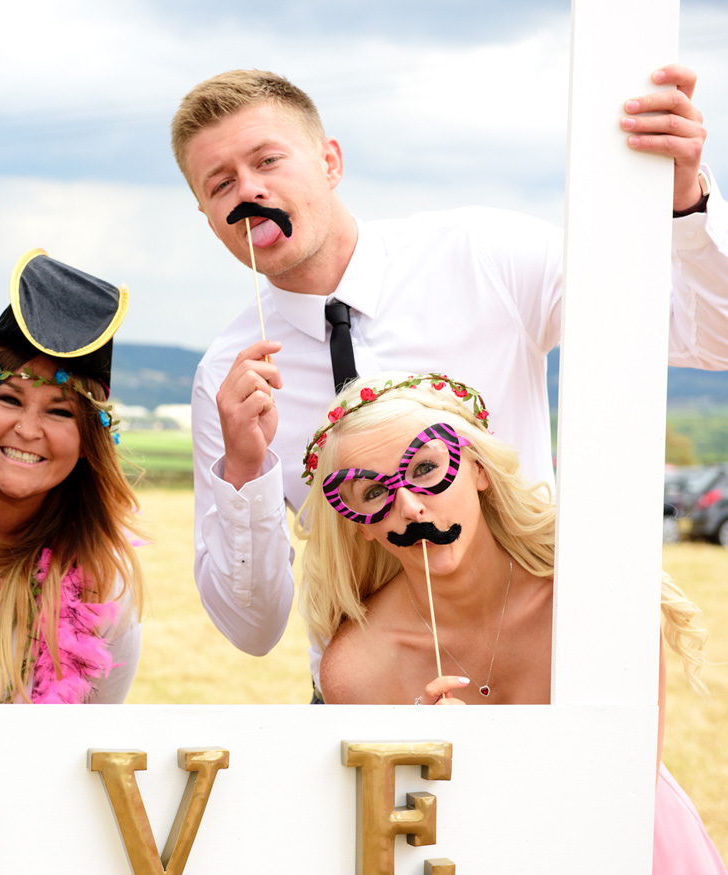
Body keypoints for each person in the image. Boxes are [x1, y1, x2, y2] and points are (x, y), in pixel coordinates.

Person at [171, 68, 728, 675]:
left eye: (268, 160)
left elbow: (711, 341)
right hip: (367, 697)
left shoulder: (487, 255)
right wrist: (245, 471)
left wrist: (686, 206)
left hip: (542, 669)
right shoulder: (225, 379)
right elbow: (253, 631)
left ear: (330, 162)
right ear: (207, 216)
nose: (249, 191)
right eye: (221, 184)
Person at [297, 372, 725, 872]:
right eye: (373, 492)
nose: (410, 506)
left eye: (427, 468)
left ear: (478, 469)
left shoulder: (596, 599)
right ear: (358, 523)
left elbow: (622, 788)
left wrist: (489, 758)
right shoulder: (358, 667)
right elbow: (398, 840)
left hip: (631, 846)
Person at [0, 250, 143, 704]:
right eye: (11, 399)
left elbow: (89, 748)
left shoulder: (104, 585)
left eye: (60, 411)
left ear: (87, 441)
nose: (28, 430)